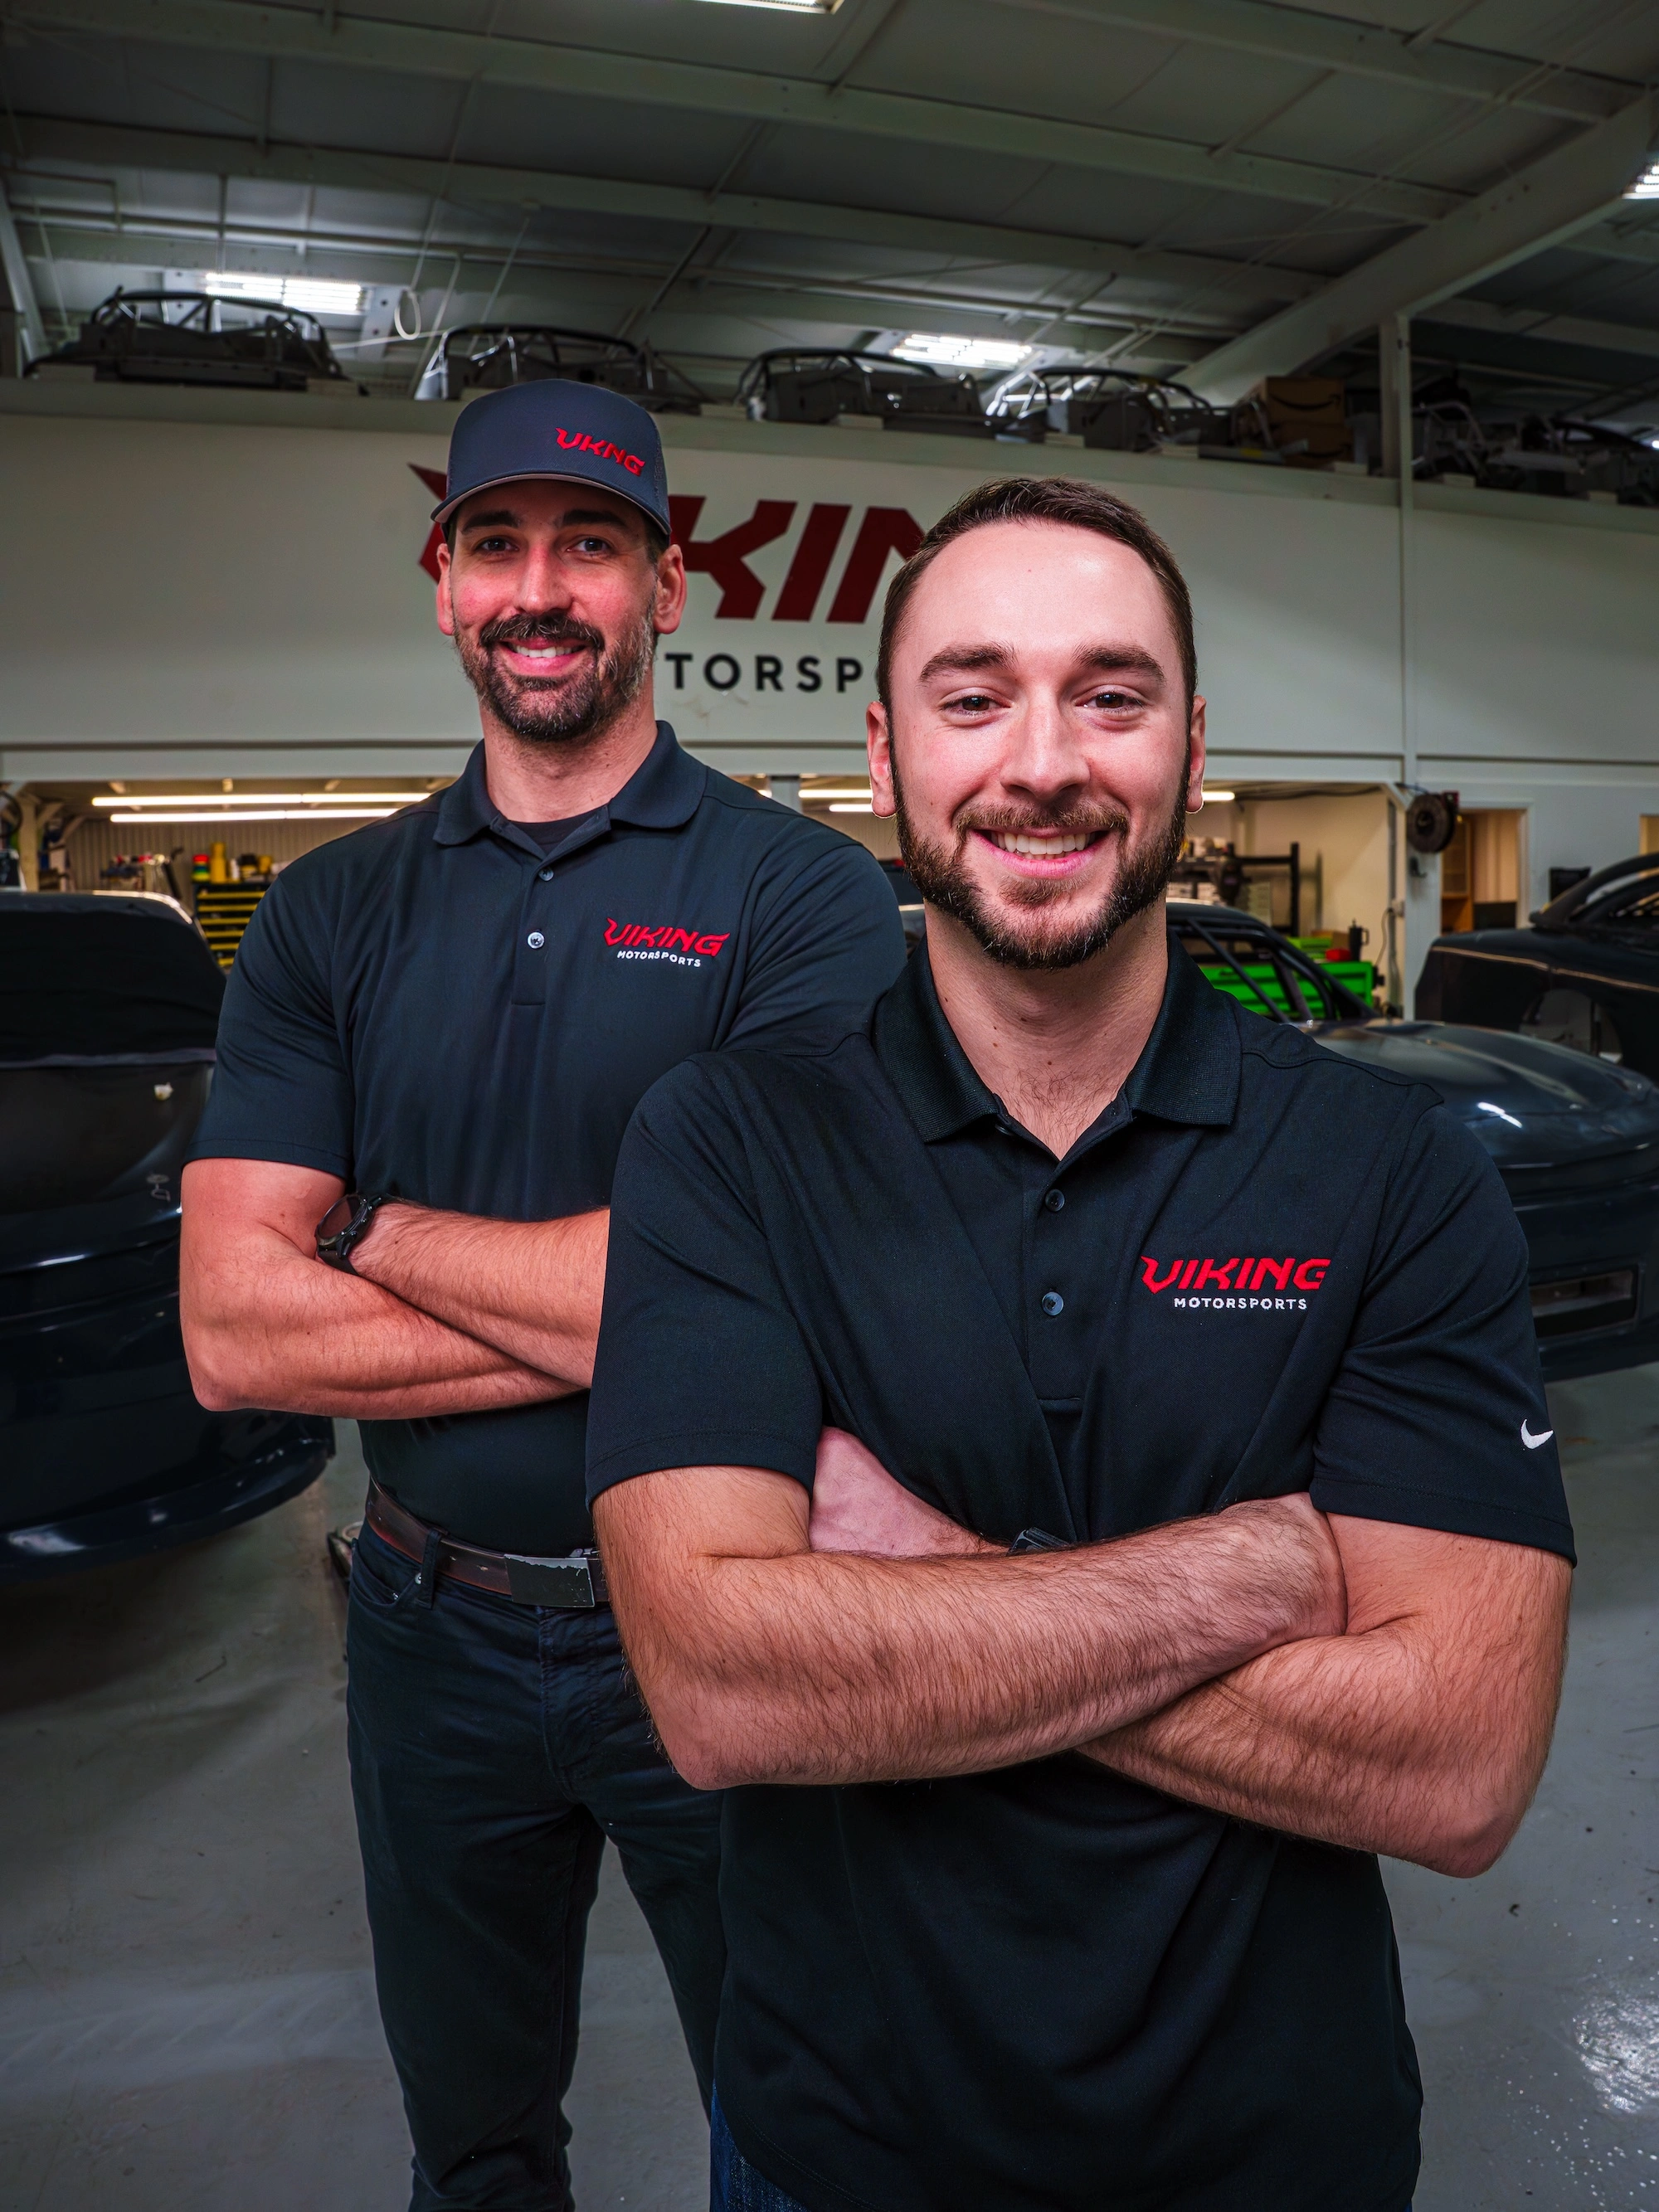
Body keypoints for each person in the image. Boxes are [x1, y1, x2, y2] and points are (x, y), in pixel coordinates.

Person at [584, 474, 1575, 2212]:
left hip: (1277, 2154)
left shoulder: (1391, 1172)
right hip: (842, 2153)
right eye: (973, 697)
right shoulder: (730, 1142)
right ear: (884, 755)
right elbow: (723, 1692)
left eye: (1110, 695)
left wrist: (921, 1575)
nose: (1042, 763)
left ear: (1190, 744)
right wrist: (1251, 1571)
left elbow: (1456, 1761)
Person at [178, 379, 906, 2211]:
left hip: (726, 1611)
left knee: (809, 2129)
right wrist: (649, 1300)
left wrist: (373, 1229)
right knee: (473, 2143)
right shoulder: (330, 913)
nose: (540, 589)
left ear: (668, 588)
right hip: (425, 1632)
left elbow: (791, 1293)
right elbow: (231, 1329)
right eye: (496, 544)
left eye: (591, 544)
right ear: (444, 584)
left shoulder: (801, 898)